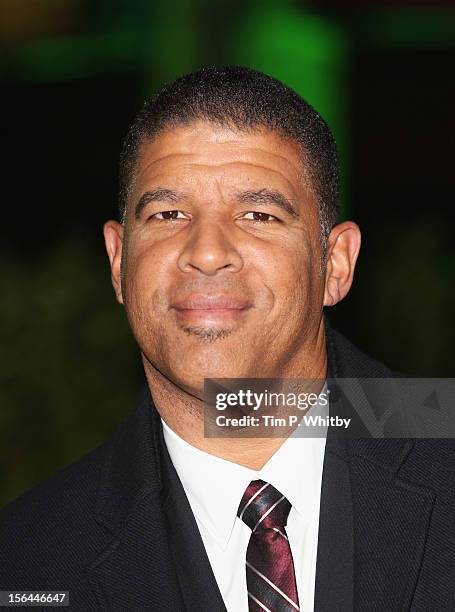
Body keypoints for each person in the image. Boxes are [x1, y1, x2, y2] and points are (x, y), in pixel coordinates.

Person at [1, 66, 454, 612]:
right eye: (169, 214)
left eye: (257, 214)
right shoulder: (27, 560)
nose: (208, 251)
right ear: (118, 261)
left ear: (335, 264)